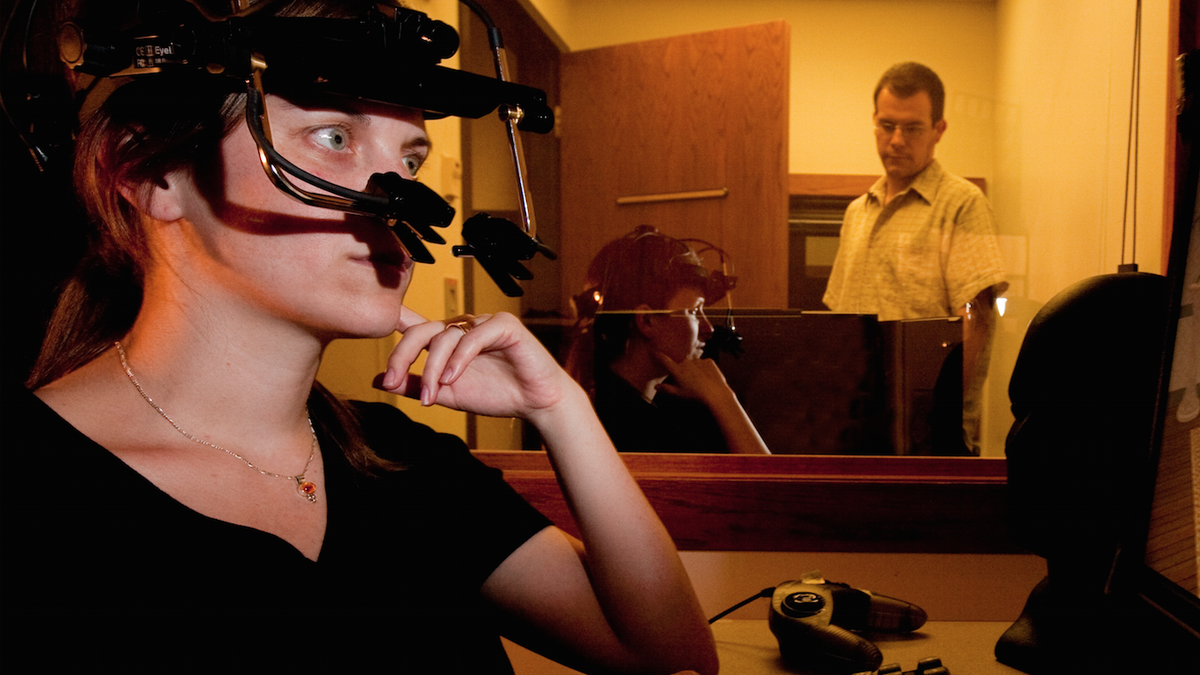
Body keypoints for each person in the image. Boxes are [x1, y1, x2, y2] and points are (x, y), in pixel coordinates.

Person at [0, 2, 718, 672]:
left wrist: (561, 408)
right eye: (335, 137)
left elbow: (668, 653)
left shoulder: (401, 464)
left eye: (410, 158)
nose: (399, 197)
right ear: (155, 175)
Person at [823, 61, 1007, 453]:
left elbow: (979, 320)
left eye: (912, 128)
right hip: (854, 427)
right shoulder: (857, 212)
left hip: (926, 433)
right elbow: (837, 320)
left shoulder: (961, 204)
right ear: (874, 121)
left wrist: (935, 414)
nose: (896, 140)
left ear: (938, 130)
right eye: (887, 125)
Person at [567, 226, 771, 455]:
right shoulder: (631, 427)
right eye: (694, 311)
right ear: (647, 321)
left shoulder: (664, 404)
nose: (708, 328)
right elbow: (772, 489)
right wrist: (724, 399)